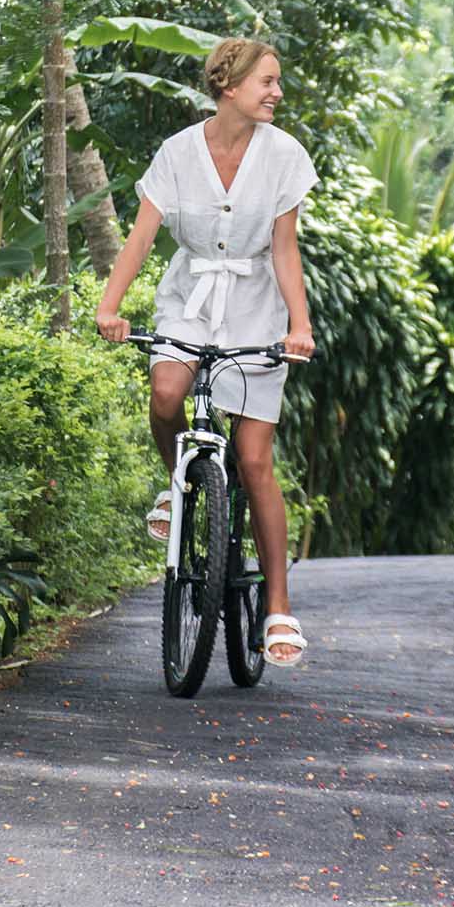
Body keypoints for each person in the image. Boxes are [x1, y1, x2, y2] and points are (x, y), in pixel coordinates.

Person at [94, 38, 318, 667]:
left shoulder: (284, 156)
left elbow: (284, 250)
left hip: (256, 309)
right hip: (190, 300)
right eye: (267, 82)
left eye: (276, 82)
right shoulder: (177, 154)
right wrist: (111, 306)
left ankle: (277, 606)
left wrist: (298, 325)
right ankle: (176, 485)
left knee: (253, 460)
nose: (276, 92)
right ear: (229, 84)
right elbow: (141, 238)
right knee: (166, 393)